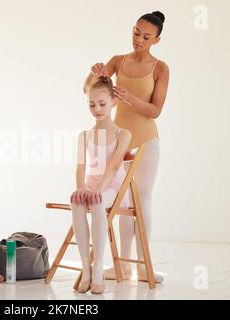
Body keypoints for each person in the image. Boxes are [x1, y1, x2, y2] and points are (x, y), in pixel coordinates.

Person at [83, 11, 170, 283]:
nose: (139, 39)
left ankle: (143, 265)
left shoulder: (160, 68)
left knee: (141, 202)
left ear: (156, 40)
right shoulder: (118, 61)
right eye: (136, 32)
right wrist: (94, 73)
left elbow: (155, 110)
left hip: (146, 142)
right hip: (118, 142)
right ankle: (123, 264)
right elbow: (89, 90)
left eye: (146, 36)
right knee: (121, 201)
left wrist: (130, 98)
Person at [70, 76, 131, 294]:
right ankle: (85, 267)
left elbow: (113, 167)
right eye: (92, 104)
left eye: (102, 104)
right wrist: (81, 188)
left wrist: (97, 190)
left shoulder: (122, 134)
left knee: (96, 202)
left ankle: (98, 268)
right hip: (92, 187)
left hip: (112, 189)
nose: (97, 109)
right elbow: (80, 167)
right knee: (76, 201)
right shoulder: (84, 136)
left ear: (114, 102)